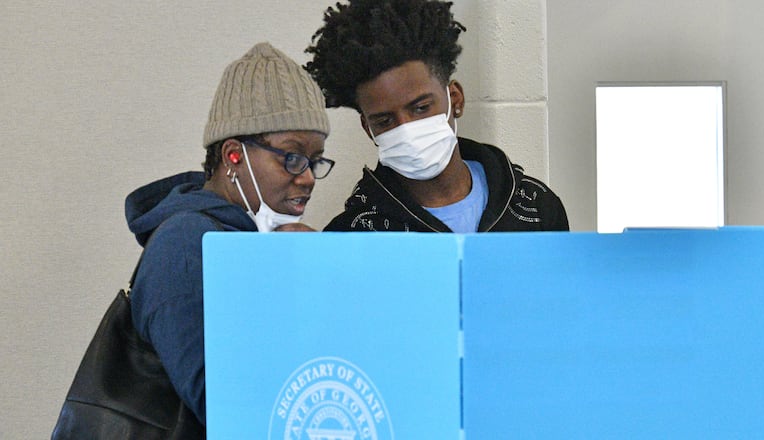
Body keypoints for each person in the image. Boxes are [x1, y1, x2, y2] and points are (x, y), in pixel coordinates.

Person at [124, 42, 332, 429]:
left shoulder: (250, 240)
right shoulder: (185, 243)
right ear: (233, 154)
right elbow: (226, 406)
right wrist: (296, 286)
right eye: (291, 156)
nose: (306, 177)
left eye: (315, 160)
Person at [305, 0, 569, 232]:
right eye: (385, 121)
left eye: (421, 108)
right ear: (368, 128)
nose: (406, 129)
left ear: (455, 99)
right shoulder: (354, 234)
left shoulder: (535, 209)